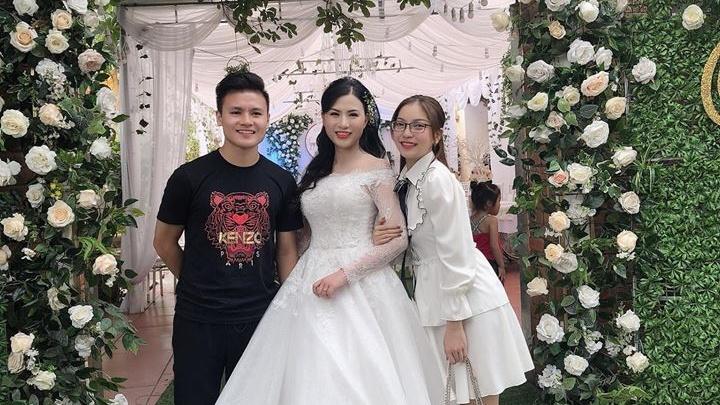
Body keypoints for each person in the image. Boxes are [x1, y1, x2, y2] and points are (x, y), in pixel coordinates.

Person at [215, 78, 441, 405]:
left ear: (366, 119)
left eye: (352, 114)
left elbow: (397, 240)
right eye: (334, 114)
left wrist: (343, 275)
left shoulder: (378, 169)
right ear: (323, 118)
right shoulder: (316, 171)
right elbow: (306, 234)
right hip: (309, 278)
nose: (343, 123)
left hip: (360, 283)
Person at [153, 70, 303, 405]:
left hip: (260, 314)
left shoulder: (281, 181)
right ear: (219, 116)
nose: (246, 121)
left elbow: (286, 250)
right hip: (197, 317)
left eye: (256, 113)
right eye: (236, 112)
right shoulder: (188, 178)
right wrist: (195, 281)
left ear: (267, 117)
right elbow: (163, 241)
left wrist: (289, 303)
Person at [380, 95, 533, 405]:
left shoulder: (437, 180)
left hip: (465, 302)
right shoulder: (410, 179)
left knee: (476, 394)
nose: (407, 133)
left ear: (437, 135)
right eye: (400, 124)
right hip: (437, 296)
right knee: (458, 395)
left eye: (418, 126)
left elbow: (457, 253)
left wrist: (454, 323)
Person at [469, 181, 506, 282]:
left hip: (475, 262)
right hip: (490, 263)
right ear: (489, 203)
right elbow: (494, 246)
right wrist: (501, 265)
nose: (499, 205)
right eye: (499, 201)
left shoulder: (469, 220)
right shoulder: (491, 221)